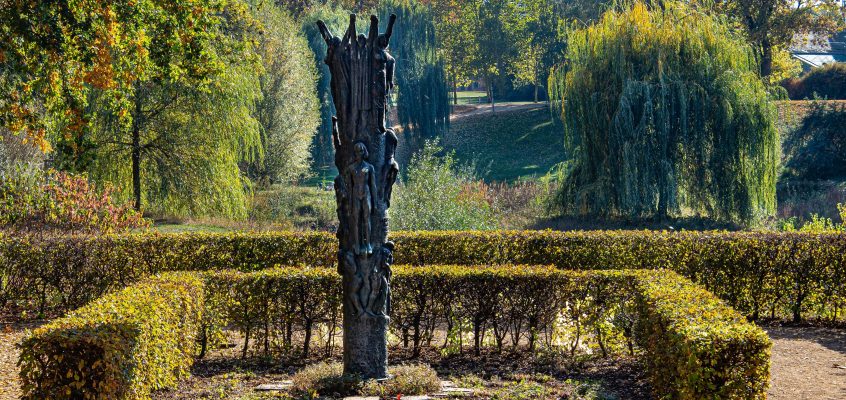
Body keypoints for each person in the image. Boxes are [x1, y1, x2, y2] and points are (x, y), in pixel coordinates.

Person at [344, 142, 378, 255]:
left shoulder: (369, 167)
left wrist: (375, 202)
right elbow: (349, 187)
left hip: (366, 194)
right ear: (355, 153)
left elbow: (373, 185)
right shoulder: (351, 168)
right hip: (355, 195)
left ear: (364, 152)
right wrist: (349, 203)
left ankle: (368, 244)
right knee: (356, 220)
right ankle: (357, 244)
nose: (359, 153)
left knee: (366, 220)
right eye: (358, 151)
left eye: (361, 151)